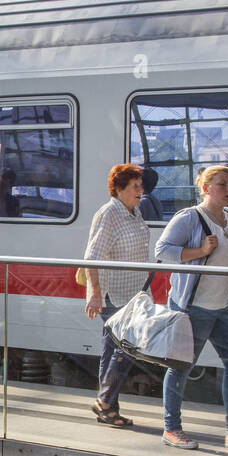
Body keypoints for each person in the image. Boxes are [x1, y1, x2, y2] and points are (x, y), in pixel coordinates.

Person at [155, 165, 228, 452]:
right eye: (222, 184)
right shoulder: (189, 218)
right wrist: (200, 252)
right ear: (205, 188)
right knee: (180, 366)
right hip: (195, 307)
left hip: (226, 306)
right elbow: (162, 251)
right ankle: (171, 428)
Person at [84, 164, 150, 428]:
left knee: (112, 349)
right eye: (135, 186)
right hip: (114, 295)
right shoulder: (110, 213)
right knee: (129, 345)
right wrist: (95, 293)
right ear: (119, 188)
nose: (140, 191)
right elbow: (92, 257)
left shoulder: (134, 212)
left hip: (134, 293)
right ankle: (105, 400)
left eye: (140, 185)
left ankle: (108, 409)